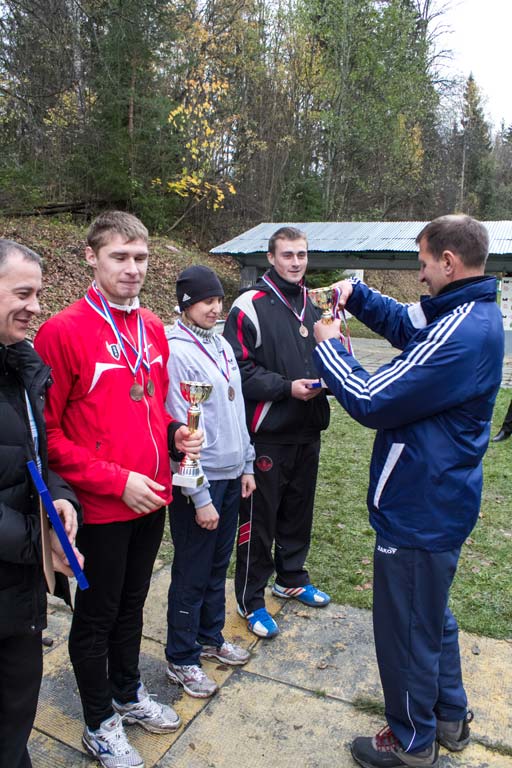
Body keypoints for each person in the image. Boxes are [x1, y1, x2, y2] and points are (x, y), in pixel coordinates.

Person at [312, 215, 503, 768]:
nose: (419, 275)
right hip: (438, 497)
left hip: (420, 504)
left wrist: (330, 348)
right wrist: (357, 296)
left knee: (406, 630)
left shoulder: (460, 330)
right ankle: (449, 715)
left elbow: (372, 398)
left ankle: (412, 741)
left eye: (423, 264)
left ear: (449, 262)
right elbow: (406, 325)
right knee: (429, 616)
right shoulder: (466, 310)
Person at [34, 212, 203, 768]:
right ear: (92, 257)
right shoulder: (62, 331)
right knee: (96, 618)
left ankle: (127, 693)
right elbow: (47, 436)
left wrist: (175, 436)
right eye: (120, 257)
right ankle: (97, 723)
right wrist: (116, 480)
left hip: (150, 499)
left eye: (141, 258)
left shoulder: (151, 327)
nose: (133, 269)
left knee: (132, 607)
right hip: (100, 508)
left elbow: (150, 408)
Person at [223, 226, 331, 640]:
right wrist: (286, 388)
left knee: (298, 512)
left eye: (301, 254)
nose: (296, 262)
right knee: (259, 520)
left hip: (308, 427)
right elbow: (237, 369)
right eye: (287, 254)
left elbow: (328, 353)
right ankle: (250, 598)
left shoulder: (315, 303)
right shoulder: (249, 305)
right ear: (271, 257)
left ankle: (291, 578)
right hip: (267, 433)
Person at [0, 239, 81, 768]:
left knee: (14, 726)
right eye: (22, 293)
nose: (35, 306)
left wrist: (62, 500)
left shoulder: (21, 368)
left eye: (38, 294)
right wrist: (40, 540)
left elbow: (33, 456)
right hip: (19, 566)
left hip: (17, 597)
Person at [164, 265, 256, 698]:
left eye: (219, 300)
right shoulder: (175, 351)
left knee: (218, 566)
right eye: (206, 301)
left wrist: (247, 464)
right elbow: (180, 425)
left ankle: (209, 636)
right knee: (192, 569)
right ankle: (181, 657)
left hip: (231, 472)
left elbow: (236, 408)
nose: (215, 308)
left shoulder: (221, 344)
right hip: (199, 480)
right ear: (186, 304)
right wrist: (198, 496)